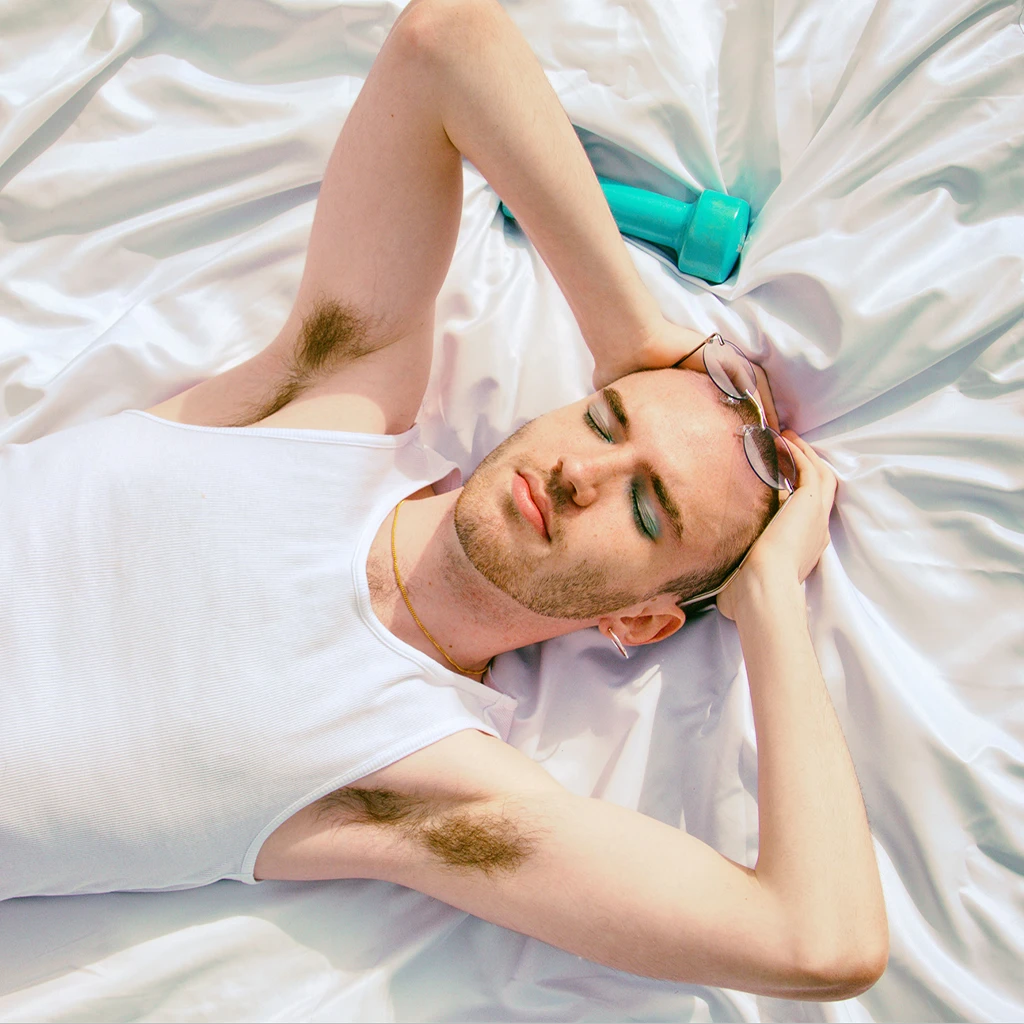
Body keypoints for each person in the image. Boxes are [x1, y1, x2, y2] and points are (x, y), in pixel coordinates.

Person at [0, 0, 887, 999]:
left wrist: (767, 604)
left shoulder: (417, 772)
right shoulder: (329, 400)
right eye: (603, 424)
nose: (580, 474)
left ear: (640, 618)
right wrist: (630, 336)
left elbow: (821, 943)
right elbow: (445, 42)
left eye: (646, 509)